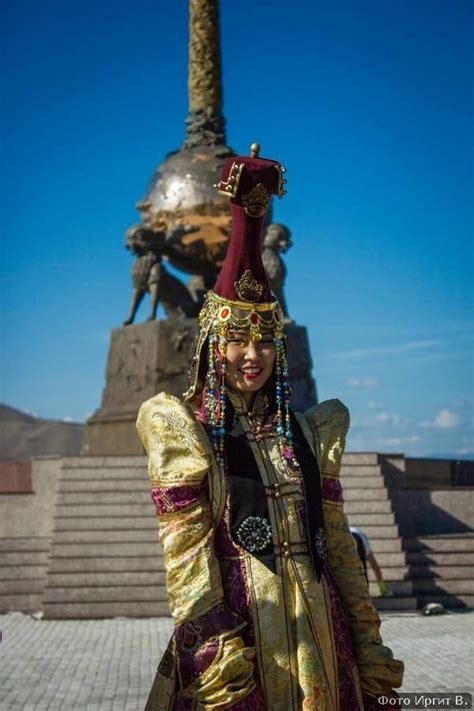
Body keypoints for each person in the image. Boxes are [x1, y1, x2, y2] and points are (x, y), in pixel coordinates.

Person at [137, 144, 404, 710]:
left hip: (323, 637)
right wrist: (212, 650)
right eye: (237, 340)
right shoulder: (187, 433)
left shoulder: (309, 433)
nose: (251, 355)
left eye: (264, 341)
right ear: (214, 348)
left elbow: (335, 543)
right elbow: (186, 558)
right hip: (243, 637)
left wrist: (367, 637)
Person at [350, 526, 394, 597]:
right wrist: (383, 589)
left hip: (348, 538)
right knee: (362, 572)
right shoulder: (364, 544)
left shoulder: (363, 542)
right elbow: (375, 567)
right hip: (355, 539)